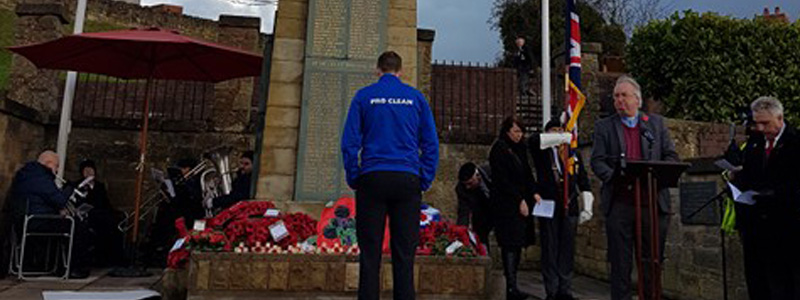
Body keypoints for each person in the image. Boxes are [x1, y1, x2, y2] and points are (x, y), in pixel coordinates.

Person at [341, 51, 439, 300]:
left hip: (373, 178)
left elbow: (350, 143)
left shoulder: (364, 97)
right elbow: (430, 144)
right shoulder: (416, 98)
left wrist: (355, 176)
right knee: (404, 254)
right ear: (400, 71)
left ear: (378, 70)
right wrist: (423, 178)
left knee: (370, 253)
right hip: (406, 179)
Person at [590, 76, 679, 300]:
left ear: (637, 100)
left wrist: (659, 172)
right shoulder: (604, 126)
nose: (619, 100)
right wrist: (614, 177)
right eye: (616, 96)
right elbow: (597, 161)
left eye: (624, 96)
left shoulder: (655, 124)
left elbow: (670, 155)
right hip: (621, 204)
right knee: (620, 262)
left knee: (651, 261)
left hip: (652, 203)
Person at [731, 96, 800, 299]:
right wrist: (736, 176)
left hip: (786, 227)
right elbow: (751, 176)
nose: (759, 128)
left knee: (783, 285)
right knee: (757, 282)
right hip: (755, 227)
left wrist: (772, 194)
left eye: (765, 123)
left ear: (780, 118)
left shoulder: (795, 143)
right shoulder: (755, 143)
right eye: (756, 122)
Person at [529, 119, 593, 300]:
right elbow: (533, 141)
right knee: (549, 248)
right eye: (553, 130)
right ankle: (552, 289)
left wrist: (587, 205)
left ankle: (565, 289)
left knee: (567, 249)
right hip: (549, 204)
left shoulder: (572, 154)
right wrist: (558, 137)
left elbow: (583, 180)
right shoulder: (542, 151)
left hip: (569, 204)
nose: (557, 133)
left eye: (560, 130)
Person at [6, 150, 91, 278]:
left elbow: (41, 199)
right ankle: (75, 267)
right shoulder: (41, 177)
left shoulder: (27, 174)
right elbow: (59, 199)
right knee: (77, 226)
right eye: (56, 166)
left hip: (24, 219)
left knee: (69, 223)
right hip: (37, 221)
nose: (56, 171)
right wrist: (70, 188)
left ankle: (61, 266)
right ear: (48, 163)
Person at [490, 116, 540, 300]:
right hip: (507, 204)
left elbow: (527, 173)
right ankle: (510, 286)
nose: (519, 135)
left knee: (518, 243)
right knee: (510, 243)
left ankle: (514, 284)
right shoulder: (500, 149)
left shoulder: (521, 149)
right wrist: (519, 199)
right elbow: (502, 179)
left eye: (521, 132)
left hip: (522, 201)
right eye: (515, 131)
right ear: (507, 131)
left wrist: (534, 192)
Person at [71, 159, 124, 267]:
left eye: (90, 170)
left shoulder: (99, 186)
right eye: (86, 171)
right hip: (88, 216)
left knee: (113, 226)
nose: (88, 173)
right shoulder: (78, 186)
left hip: (102, 214)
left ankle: (114, 258)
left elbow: (105, 202)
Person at [456, 162, 493, 249]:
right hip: (481, 214)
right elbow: (463, 212)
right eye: (465, 184)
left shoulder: (491, 172)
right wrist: (461, 231)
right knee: (480, 234)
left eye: (470, 183)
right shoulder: (461, 189)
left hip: (499, 205)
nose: (467, 187)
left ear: (477, 175)